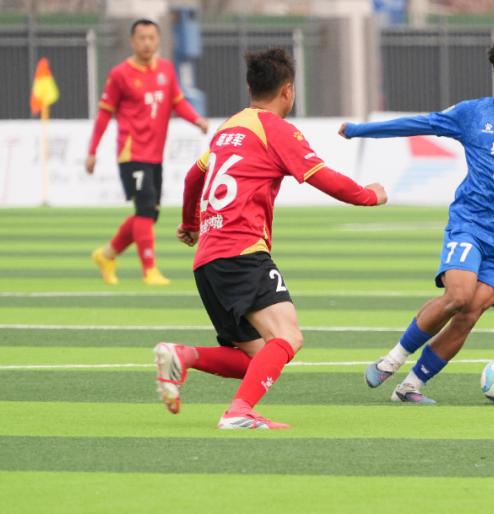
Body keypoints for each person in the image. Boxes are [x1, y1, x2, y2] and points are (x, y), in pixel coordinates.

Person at [338, 29, 494, 404]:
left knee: (469, 315)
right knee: (457, 296)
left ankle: (410, 387)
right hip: (470, 225)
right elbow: (419, 124)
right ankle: (392, 359)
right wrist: (360, 130)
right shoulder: (473, 114)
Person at [152, 47, 387, 429]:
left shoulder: (229, 127)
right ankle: (238, 412)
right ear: (288, 91)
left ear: (250, 88)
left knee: (257, 355)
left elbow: (194, 177)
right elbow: (322, 176)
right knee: (288, 337)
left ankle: (183, 356)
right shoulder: (276, 129)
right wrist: (369, 195)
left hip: (208, 260)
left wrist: (191, 223)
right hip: (242, 252)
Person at [86, 19, 209, 286]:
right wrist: (92, 151)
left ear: (158, 40)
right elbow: (104, 114)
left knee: (150, 214)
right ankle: (149, 270)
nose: (146, 43)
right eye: (141, 38)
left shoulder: (166, 69)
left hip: (155, 155)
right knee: (144, 208)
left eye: (151, 37)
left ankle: (106, 255)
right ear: (132, 41)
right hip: (132, 154)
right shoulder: (120, 74)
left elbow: (178, 102)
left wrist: (197, 120)